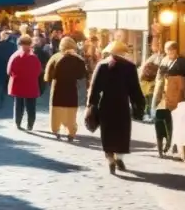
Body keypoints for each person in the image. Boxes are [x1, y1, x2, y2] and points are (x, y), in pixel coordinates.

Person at [88, 40, 145, 175]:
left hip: (106, 104)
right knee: (122, 132)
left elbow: (94, 88)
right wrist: (139, 104)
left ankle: (110, 159)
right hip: (122, 105)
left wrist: (92, 104)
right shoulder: (130, 67)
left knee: (107, 133)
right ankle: (119, 158)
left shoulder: (102, 65)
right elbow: (135, 89)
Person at [151, 41, 185, 157]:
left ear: (176, 50)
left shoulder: (182, 62)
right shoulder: (163, 60)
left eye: (171, 50)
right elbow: (159, 76)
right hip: (161, 94)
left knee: (171, 121)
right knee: (158, 120)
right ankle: (159, 148)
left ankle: (170, 143)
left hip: (175, 95)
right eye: (167, 50)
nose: (169, 52)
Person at [44, 36, 87, 141]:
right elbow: (82, 75)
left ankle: (56, 129)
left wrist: (49, 81)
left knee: (56, 111)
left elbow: (48, 75)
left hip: (57, 88)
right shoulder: (78, 59)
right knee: (71, 112)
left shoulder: (55, 57)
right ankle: (71, 132)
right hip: (71, 88)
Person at [7, 34, 42, 131]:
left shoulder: (15, 56)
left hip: (17, 84)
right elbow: (39, 71)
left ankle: (18, 123)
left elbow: (9, 71)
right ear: (30, 44)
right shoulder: (34, 57)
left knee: (19, 105)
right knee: (31, 106)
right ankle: (30, 124)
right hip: (31, 85)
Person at [139, 39, 163, 120]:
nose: (154, 46)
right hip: (149, 83)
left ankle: (148, 114)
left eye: (157, 44)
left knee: (150, 99)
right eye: (155, 44)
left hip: (150, 83)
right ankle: (148, 114)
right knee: (149, 99)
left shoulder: (159, 56)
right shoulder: (155, 56)